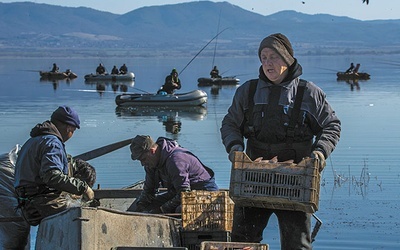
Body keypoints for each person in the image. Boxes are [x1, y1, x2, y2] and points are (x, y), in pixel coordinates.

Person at [220, 33, 341, 249]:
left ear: (287, 59)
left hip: (296, 180)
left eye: (273, 57)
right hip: (253, 177)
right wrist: (235, 149)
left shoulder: (309, 93)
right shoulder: (247, 92)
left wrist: (320, 153)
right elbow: (230, 124)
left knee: (297, 244)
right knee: (242, 240)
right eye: (263, 57)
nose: (267, 63)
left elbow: (331, 126)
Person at [14, 106, 95, 226]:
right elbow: (51, 176)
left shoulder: (34, 140)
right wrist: (83, 188)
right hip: (43, 202)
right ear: (69, 127)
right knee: (87, 214)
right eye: (73, 131)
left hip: (27, 203)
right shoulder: (53, 143)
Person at [127, 135, 218, 214]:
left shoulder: (175, 160)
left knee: (180, 210)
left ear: (152, 151)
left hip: (204, 193)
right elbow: (149, 191)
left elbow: (184, 193)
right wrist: (140, 207)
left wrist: (161, 210)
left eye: (143, 159)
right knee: (138, 206)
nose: (142, 164)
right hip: (177, 192)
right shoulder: (151, 164)